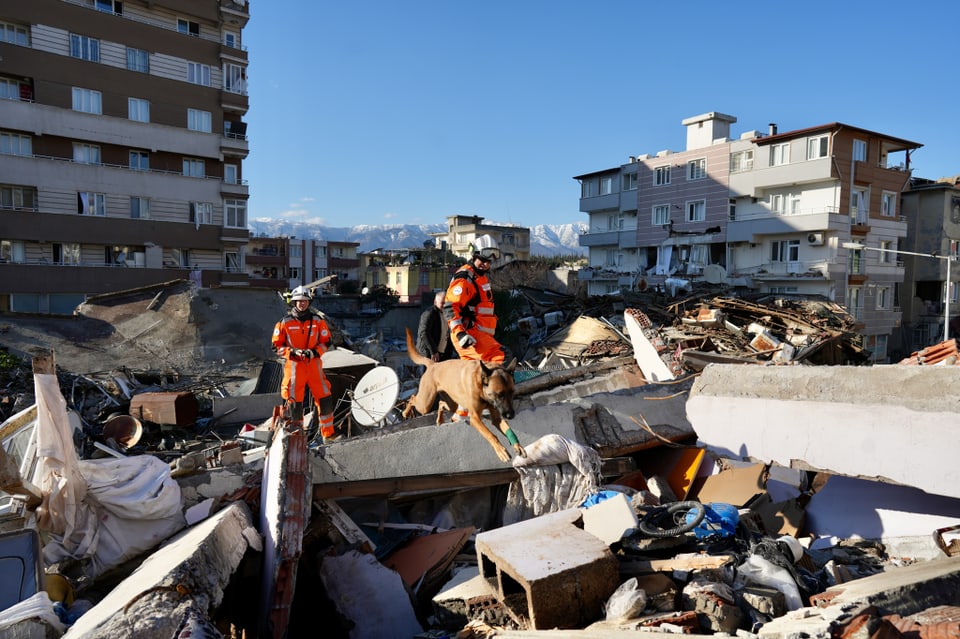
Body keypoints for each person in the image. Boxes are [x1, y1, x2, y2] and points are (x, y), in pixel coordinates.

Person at [443, 246, 506, 421]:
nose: (485, 264)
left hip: (477, 334)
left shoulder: (479, 276)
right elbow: (450, 307)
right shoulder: (466, 277)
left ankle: (461, 415)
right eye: (482, 260)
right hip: (468, 334)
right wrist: (460, 333)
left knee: (472, 373)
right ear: (474, 256)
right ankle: (494, 398)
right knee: (496, 357)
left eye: (489, 262)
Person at [272, 285, 337, 442]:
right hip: (294, 368)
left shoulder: (317, 321)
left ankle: (328, 435)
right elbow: (276, 346)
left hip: (314, 364)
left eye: (305, 300)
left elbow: (326, 341)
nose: (302, 303)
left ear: (309, 302)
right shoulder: (284, 323)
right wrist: (292, 352)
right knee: (295, 404)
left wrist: (314, 352)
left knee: (324, 398)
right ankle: (297, 437)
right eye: (299, 301)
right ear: (294, 302)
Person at [416, 291, 457, 363]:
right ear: (435, 302)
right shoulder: (429, 313)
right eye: (442, 303)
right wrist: (433, 351)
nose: (444, 305)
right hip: (429, 355)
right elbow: (424, 333)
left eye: (446, 303)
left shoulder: (448, 314)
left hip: (443, 355)